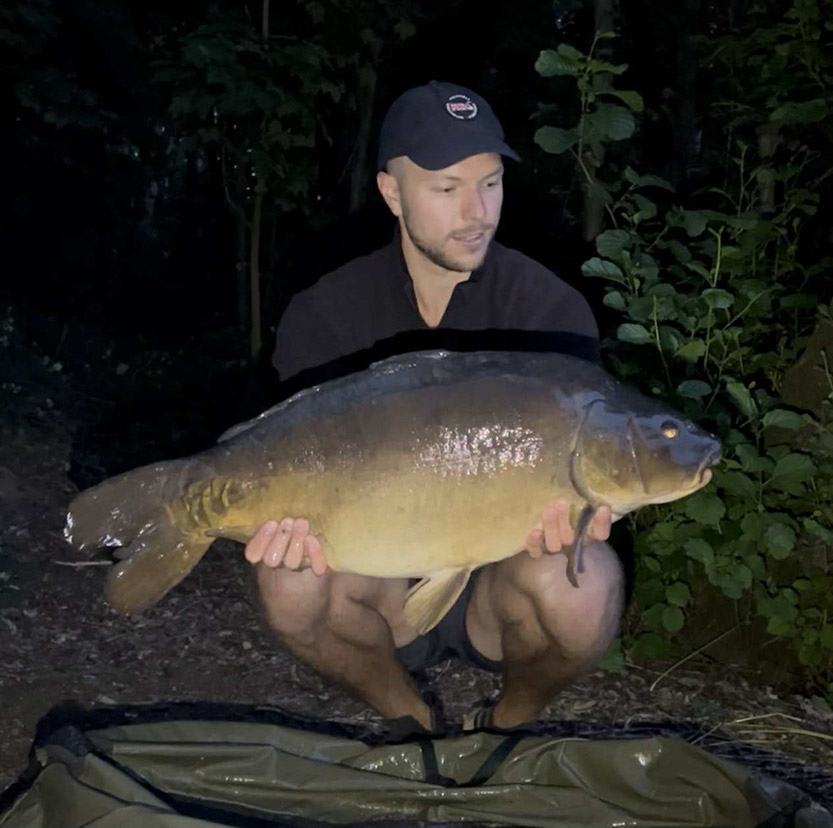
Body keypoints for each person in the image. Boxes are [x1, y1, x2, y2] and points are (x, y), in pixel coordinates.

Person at [244, 81, 624, 737]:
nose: (475, 211)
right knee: (288, 584)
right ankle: (408, 717)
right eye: (446, 189)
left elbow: (584, 451)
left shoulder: (549, 313)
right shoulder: (326, 312)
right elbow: (292, 452)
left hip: (495, 577)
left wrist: (586, 508)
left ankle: (505, 726)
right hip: (376, 578)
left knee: (585, 586)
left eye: (490, 184)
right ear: (393, 193)